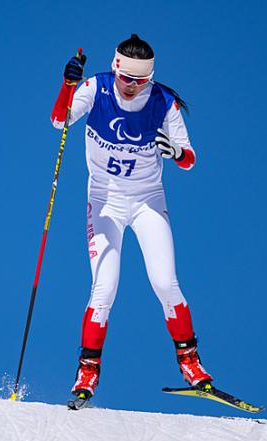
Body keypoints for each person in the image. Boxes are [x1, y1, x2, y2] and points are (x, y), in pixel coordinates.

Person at [50, 34, 213, 401]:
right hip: (105, 201)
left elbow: (189, 159)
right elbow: (59, 121)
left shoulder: (162, 102)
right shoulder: (96, 89)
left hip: (147, 202)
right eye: (126, 79)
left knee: (165, 283)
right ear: (115, 69)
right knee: (104, 288)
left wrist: (174, 152)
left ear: (150, 77)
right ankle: (87, 372)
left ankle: (191, 363)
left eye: (139, 81)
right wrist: (67, 84)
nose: (130, 87)